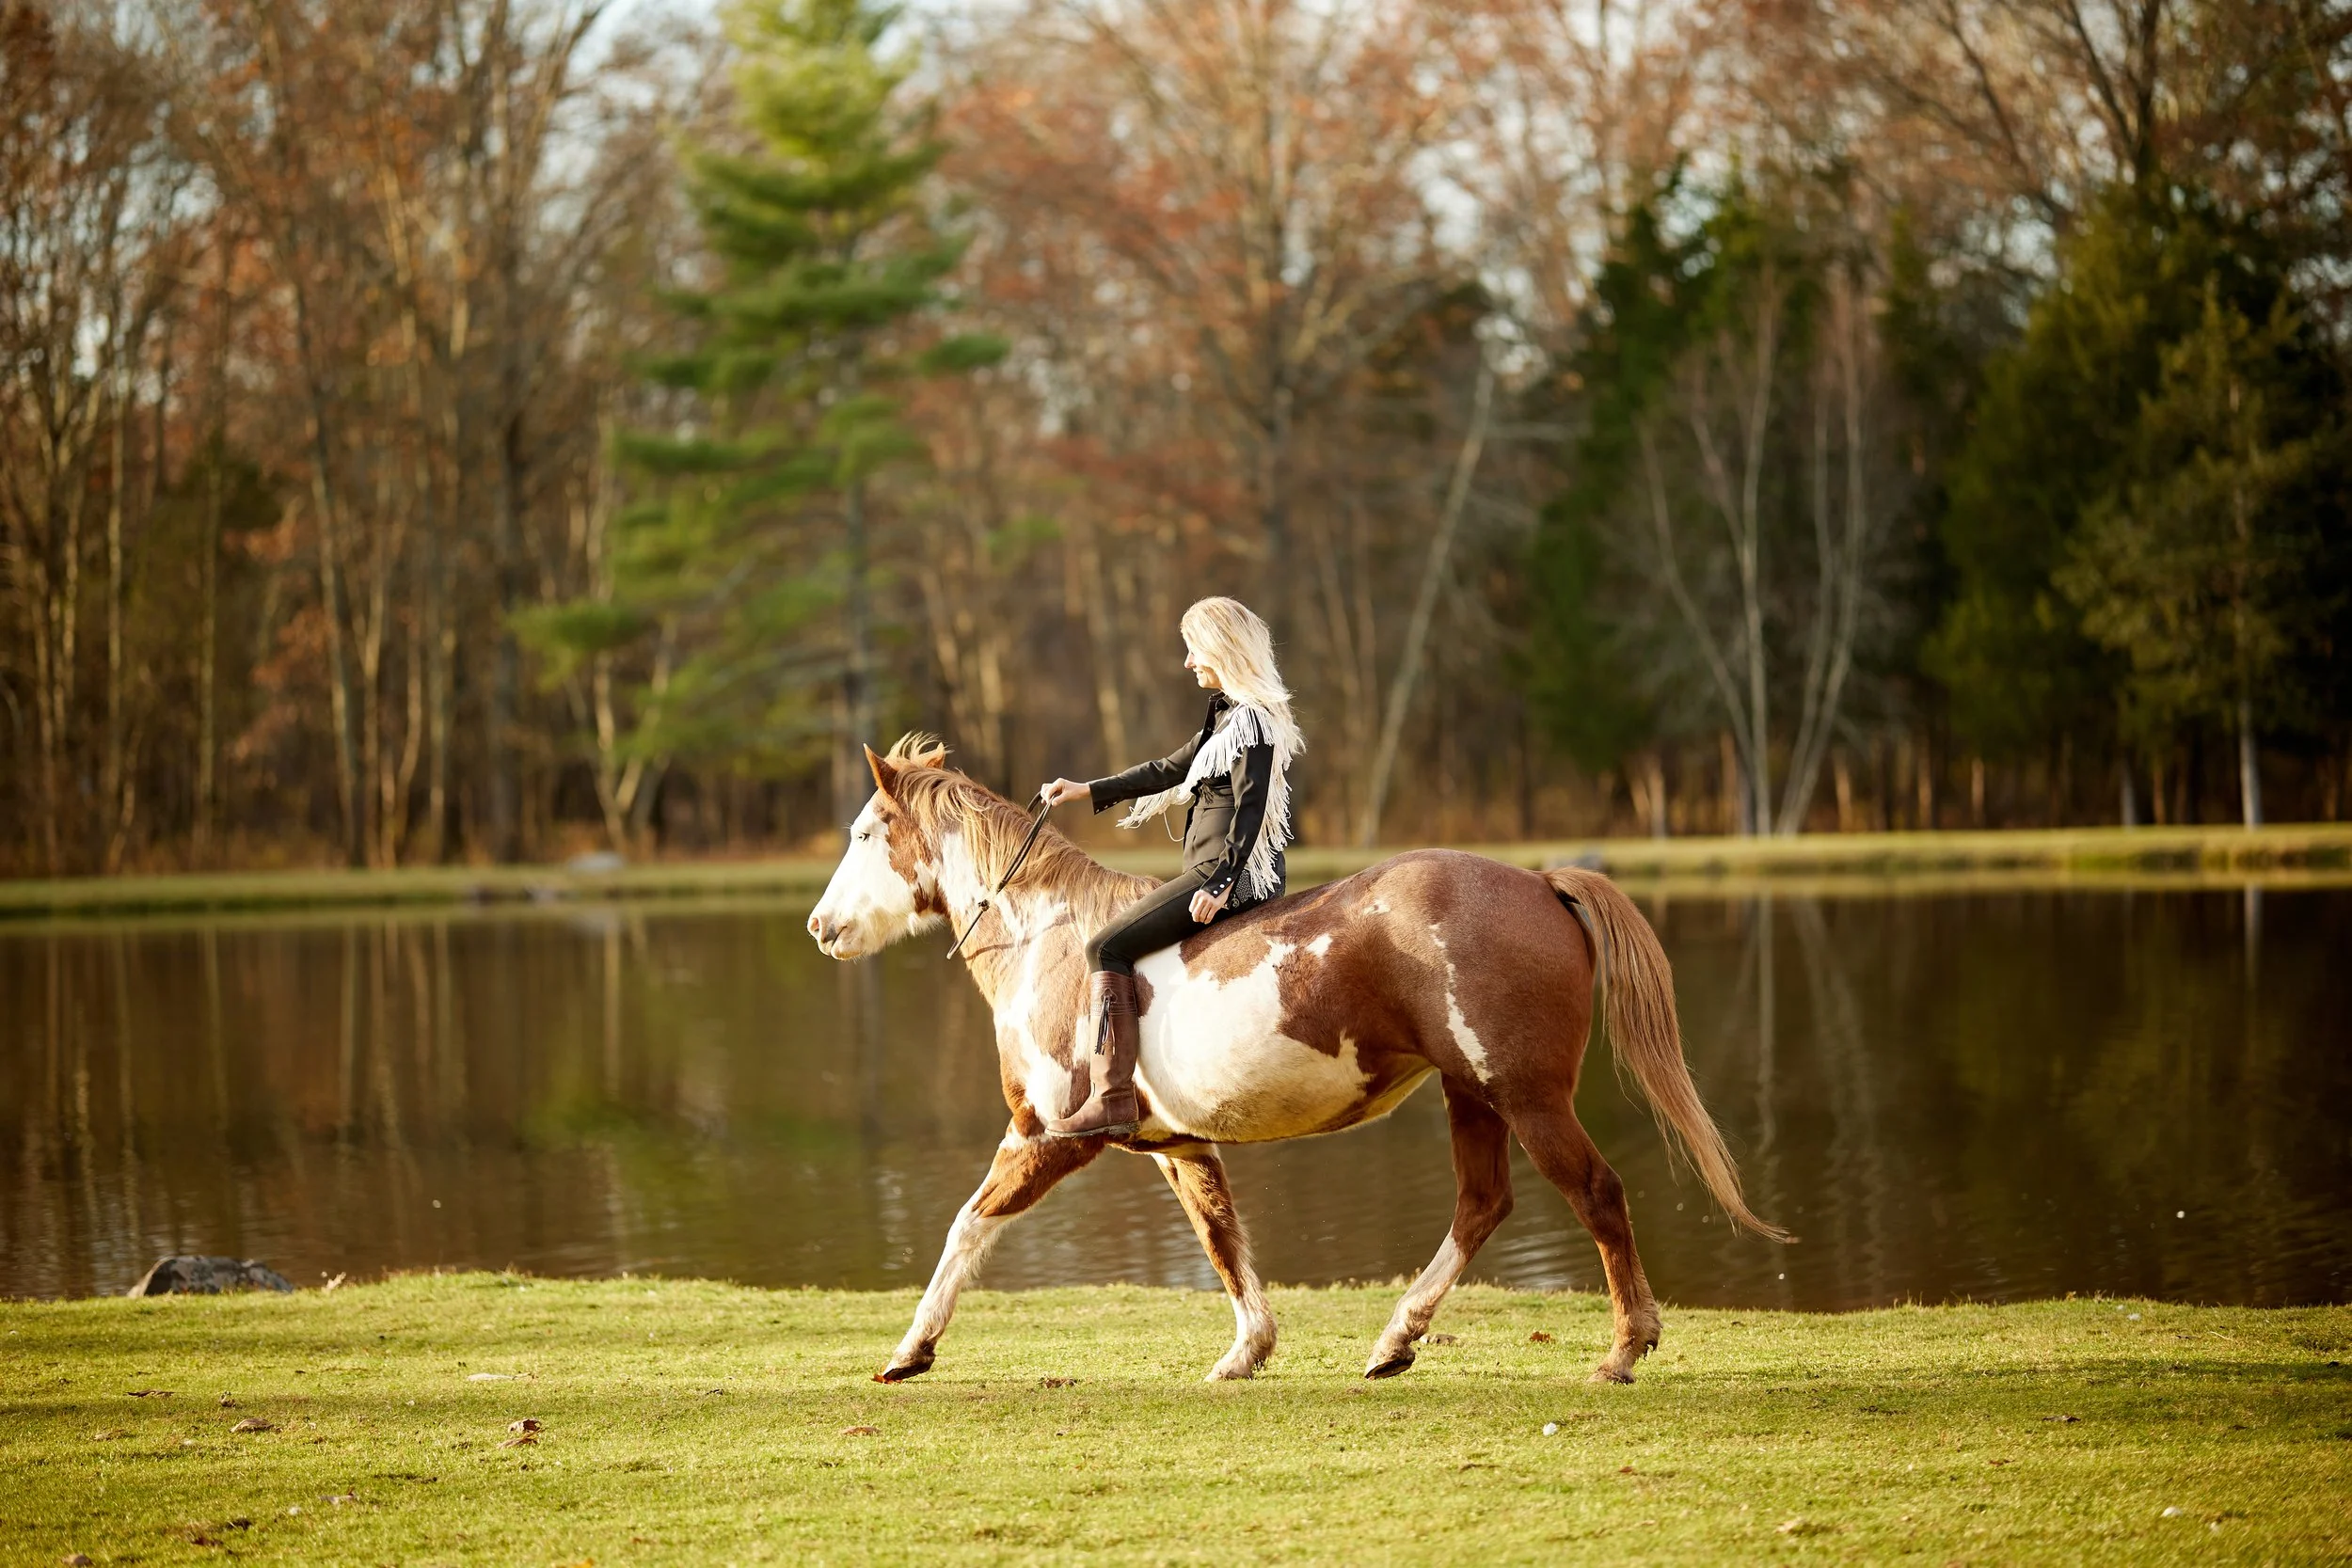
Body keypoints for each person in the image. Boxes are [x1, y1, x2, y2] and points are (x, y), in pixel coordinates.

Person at [1037, 596, 1304, 1138]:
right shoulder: (1230, 715)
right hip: (1216, 869)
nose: (1187, 662)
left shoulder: (1253, 721)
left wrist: (1223, 883)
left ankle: (1111, 1096)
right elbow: (1169, 769)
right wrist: (1086, 788)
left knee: (1104, 947)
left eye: (1193, 649)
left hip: (1227, 873)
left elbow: (1250, 810)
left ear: (1221, 649)